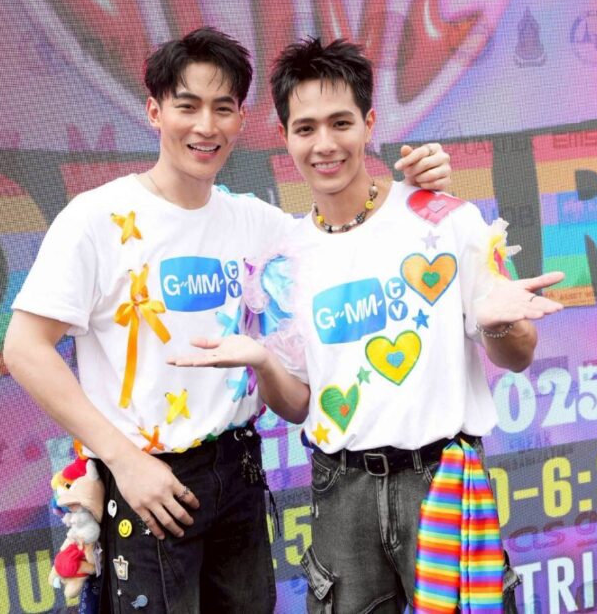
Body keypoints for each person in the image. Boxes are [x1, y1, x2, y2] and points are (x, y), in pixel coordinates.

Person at [3, 27, 455, 613]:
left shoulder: (258, 223)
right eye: (187, 106)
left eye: (222, 108)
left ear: (242, 119)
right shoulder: (96, 218)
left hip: (238, 474)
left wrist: (415, 188)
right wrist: (125, 462)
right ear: (154, 111)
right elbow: (24, 349)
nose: (205, 126)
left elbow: (347, 233)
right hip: (146, 482)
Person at [169, 37, 566, 613]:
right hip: (341, 490)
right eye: (306, 129)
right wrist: (262, 362)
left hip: (443, 481)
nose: (325, 145)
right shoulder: (283, 263)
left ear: (369, 123)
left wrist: (497, 326)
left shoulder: (443, 219)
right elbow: (300, 404)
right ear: (284, 136)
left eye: (341, 123)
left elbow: (518, 355)